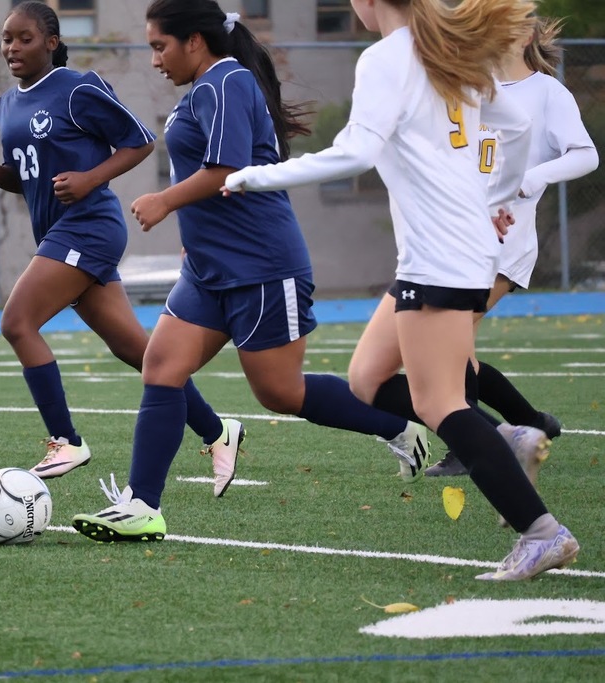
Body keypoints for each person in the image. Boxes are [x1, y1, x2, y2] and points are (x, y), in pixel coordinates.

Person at [222, 0, 579, 580]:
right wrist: (496, 197)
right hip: (448, 252)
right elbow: (514, 126)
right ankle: (507, 441)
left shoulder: (389, 57)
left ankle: (541, 533)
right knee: (366, 381)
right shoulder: (444, 50)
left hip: (442, 255)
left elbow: (357, 152)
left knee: (439, 403)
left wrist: (256, 177)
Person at [71, 0, 429, 545]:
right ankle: (143, 506)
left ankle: (400, 428)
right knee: (161, 368)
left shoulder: (227, 82)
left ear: (194, 41)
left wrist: (165, 200)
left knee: (280, 394)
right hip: (209, 271)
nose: (154, 60)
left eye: (159, 46)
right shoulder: (204, 90)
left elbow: (227, 170)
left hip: (262, 267)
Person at [0, 1, 241, 493]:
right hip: (61, 234)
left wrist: (90, 178)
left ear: (51, 42)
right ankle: (219, 431)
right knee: (138, 350)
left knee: (16, 322)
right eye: (6, 39)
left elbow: (139, 141)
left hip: (89, 228)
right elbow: (32, 182)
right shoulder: (6, 104)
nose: (12, 47)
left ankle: (65, 440)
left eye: (24, 38)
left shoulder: (77, 87)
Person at [421, 15, 598, 476]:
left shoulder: (547, 92)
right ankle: (529, 422)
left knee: (450, 338)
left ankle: (472, 446)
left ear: (525, 35)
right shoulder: (470, 86)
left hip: (508, 242)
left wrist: (531, 178)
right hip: (460, 238)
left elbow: (585, 154)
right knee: (457, 344)